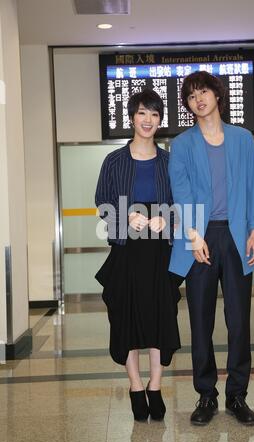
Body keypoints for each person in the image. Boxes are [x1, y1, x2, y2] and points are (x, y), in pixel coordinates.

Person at [168, 71, 254, 426]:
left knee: (239, 323)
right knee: (201, 321)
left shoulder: (243, 139)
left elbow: (253, 186)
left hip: (237, 238)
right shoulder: (182, 145)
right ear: (189, 105)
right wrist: (193, 236)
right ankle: (206, 395)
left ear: (217, 95)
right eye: (191, 96)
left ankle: (237, 396)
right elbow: (182, 193)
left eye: (203, 92)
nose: (198, 100)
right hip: (200, 240)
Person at [95, 88, 181, 422]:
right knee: (126, 317)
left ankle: (155, 384)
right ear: (132, 117)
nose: (148, 120)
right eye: (142, 113)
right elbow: (102, 203)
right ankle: (134, 385)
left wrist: (167, 217)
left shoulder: (169, 162)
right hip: (127, 250)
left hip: (159, 251)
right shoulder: (114, 161)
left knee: (160, 314)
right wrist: (124, 215)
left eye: (155, 114)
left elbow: (181, 203)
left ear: (160, 121)